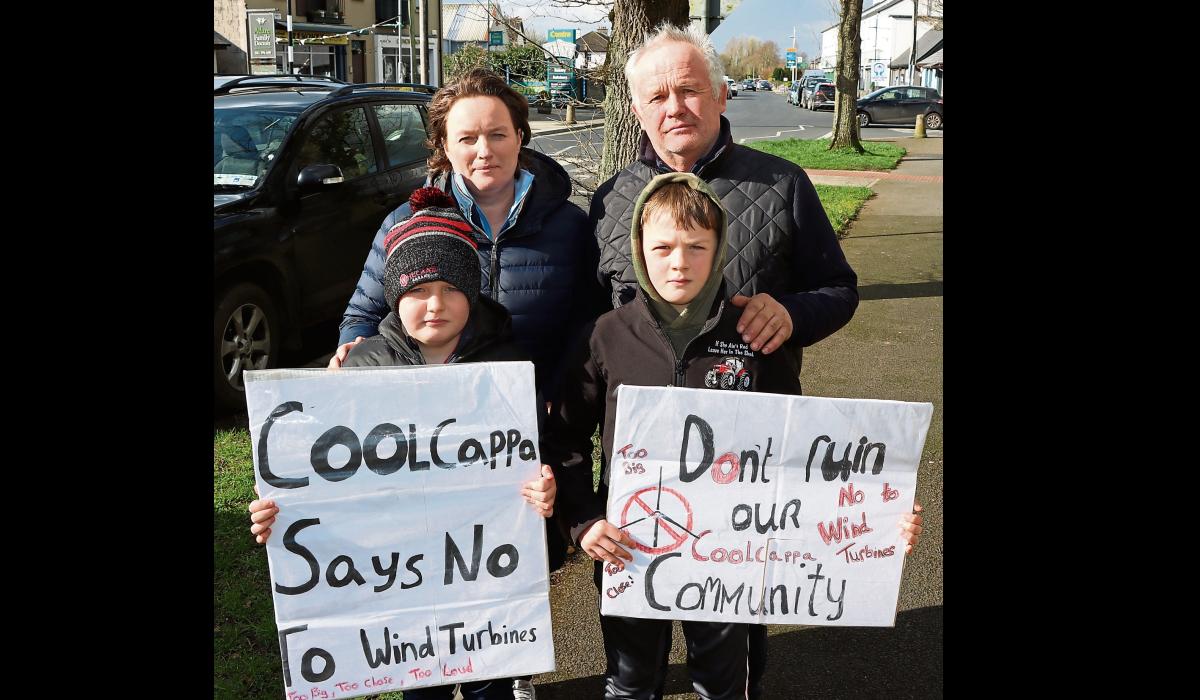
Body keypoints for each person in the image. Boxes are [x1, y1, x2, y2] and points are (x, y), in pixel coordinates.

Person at [544, 172, 923, 700]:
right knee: (630, 682)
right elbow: (562, 440)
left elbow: (800, 452)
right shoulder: (605, 335)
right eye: (663, 247)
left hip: (732, 553)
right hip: (630, 547)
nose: (679, 262)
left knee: (724, 686)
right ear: (638, 250)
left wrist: (875, 517)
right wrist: (583, 521)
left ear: (720, 249)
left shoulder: (754, 332)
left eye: (697, 247)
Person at [587, 24, 864, 696]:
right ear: (636, 110)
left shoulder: (783, 184)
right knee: (633, 660)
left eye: (689, 90)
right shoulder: (611, 198)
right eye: (657, 95)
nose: (674, 106)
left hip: (748, 483)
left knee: (735, 652)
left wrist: (794, 311)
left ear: (720, 94)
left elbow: (840, 289)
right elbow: (591, 329)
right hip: (640, 483)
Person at [249, 187, 558, 700]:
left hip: (484, 581)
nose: (434, 305)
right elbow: (321, 475)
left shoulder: (508, 368)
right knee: (421, 690)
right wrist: (281, 513)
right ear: (394, 295)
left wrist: (542, 488)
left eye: (451, 288)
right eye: (416, 291)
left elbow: (534, 454)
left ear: (472, 290)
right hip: (401, 590)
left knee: (491, 686)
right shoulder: (360, 368)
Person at [330, 67, 603, 404]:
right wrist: (353, 347)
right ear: (444, 145)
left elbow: (586, 324)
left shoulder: (569, 226)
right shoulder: (406, 224)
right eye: (468, 138)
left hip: (533, 418)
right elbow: (363, 315)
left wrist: (557, 394)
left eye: (497, 134)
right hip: (422, 411)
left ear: (519, 137)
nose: (484, 151)